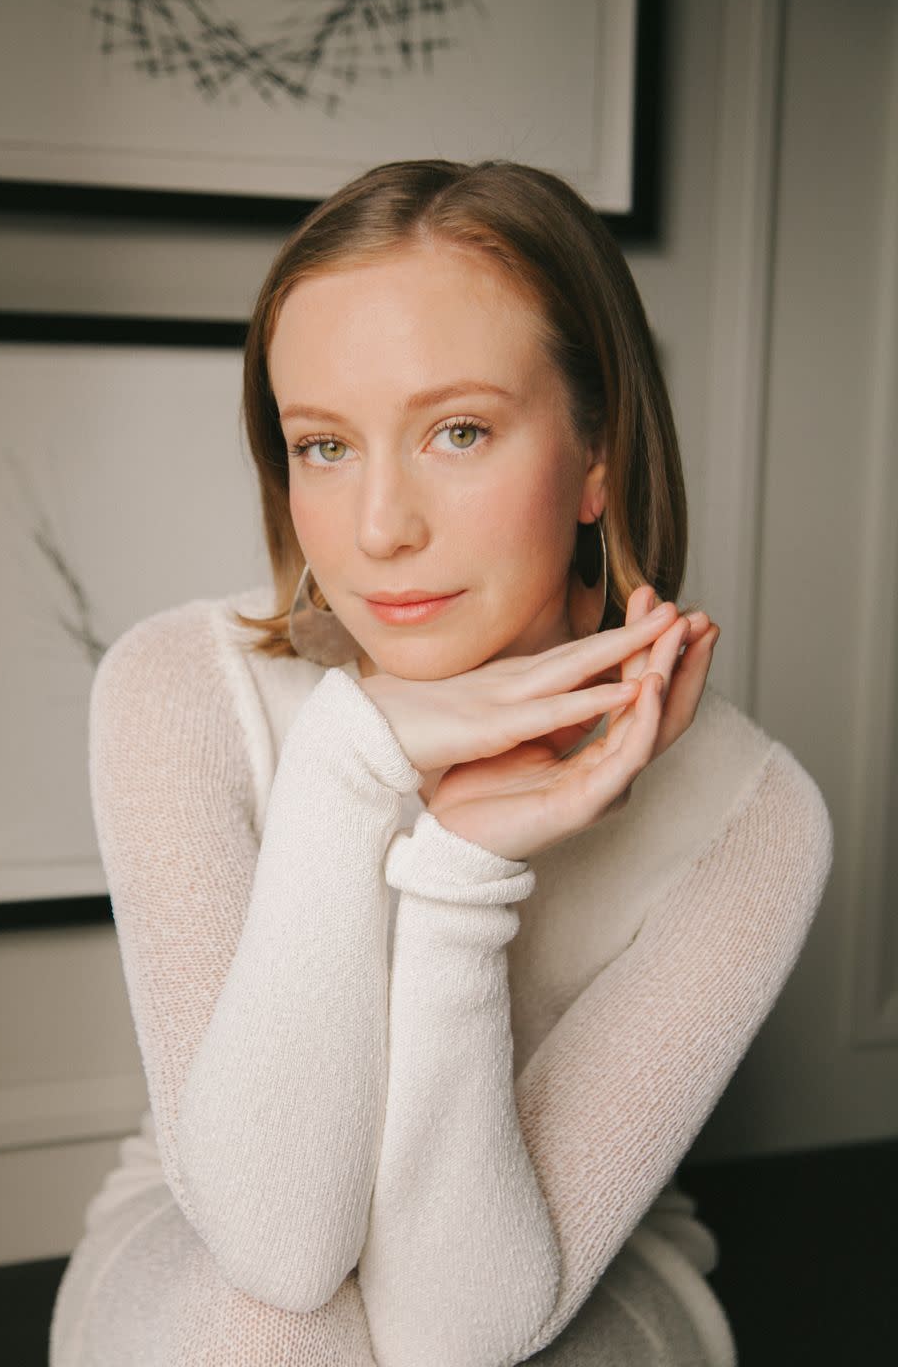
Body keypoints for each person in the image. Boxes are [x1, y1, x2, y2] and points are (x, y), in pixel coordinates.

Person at [49, 159, 833, 1367]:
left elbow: (456, 1329)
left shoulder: (756, 817)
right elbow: (280, 1246)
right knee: (266, 1336)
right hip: (208, 1241)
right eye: (323, 447)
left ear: (598, 455)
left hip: (579, 1260)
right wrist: (351, 767)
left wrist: (462, 870)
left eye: (457, 431)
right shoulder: (179, 690)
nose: (378, 529)